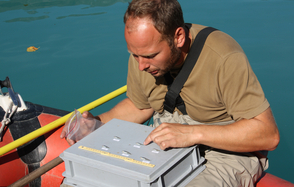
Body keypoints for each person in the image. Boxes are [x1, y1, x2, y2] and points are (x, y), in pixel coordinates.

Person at [61, 0, 280, 186]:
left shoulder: (224, 57)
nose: (141, 66)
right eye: (134, 55)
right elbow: (140, 106)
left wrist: (192, 134)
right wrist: (98, 123)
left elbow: (268, 135)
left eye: (150, 55)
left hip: (229, 154)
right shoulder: (142, 56)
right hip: (169, 142)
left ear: (178, 37)